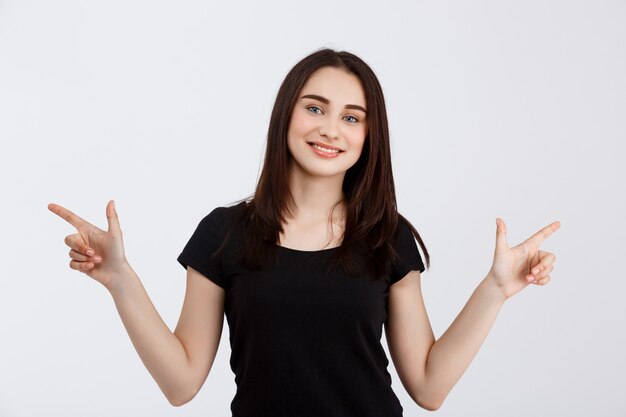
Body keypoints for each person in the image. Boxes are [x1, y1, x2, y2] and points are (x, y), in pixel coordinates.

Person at [48, 48, 560, 416]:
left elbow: (428, 386)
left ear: (369, 135)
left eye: (352, 117)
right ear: (286, 116)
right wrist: (119, 279)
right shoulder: (223, 234)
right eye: (315, 108)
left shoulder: (388, 237)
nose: (330, 129)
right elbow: (181, 384)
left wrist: (495, 290)